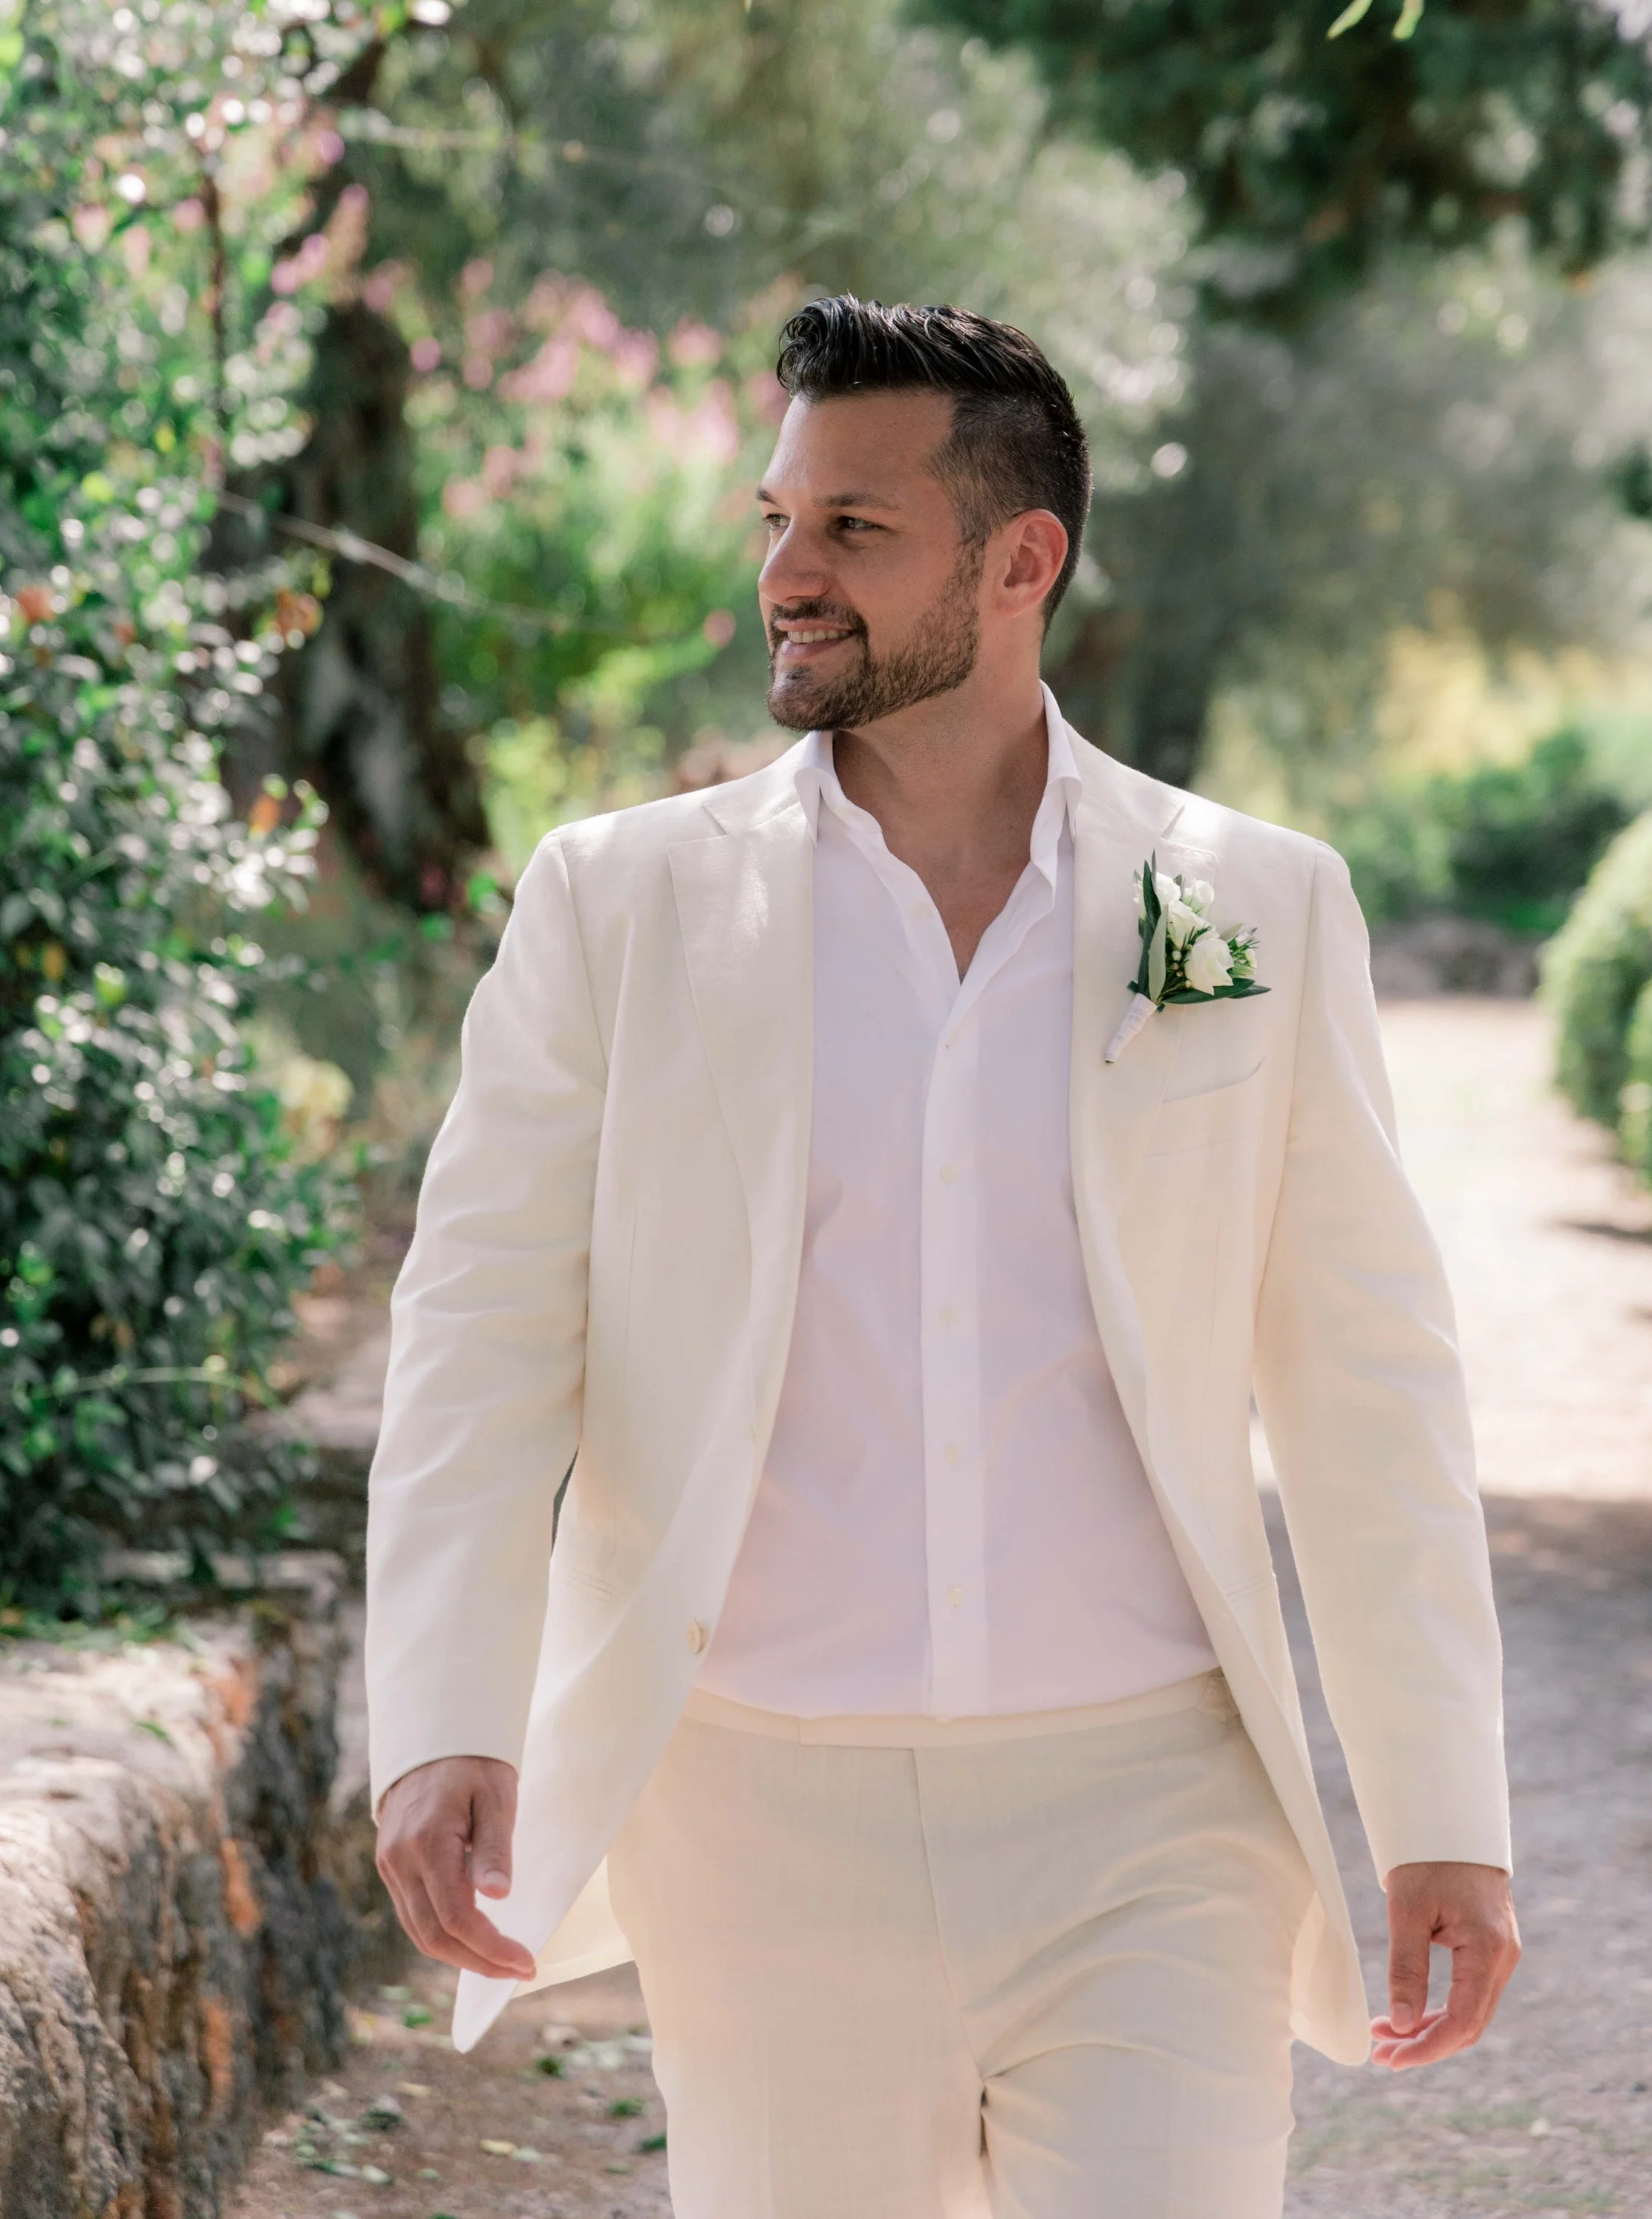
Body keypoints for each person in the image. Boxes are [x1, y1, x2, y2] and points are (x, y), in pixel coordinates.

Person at [365, 297, 1519, 2219]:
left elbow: (1368, 1386)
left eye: (853, 527)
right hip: (757, 1822)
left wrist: (1444, 1813)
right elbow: (480, 1339)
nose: (785, 573)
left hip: (1158, 1812)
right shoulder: (615, 904)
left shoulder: (1254, 903)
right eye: (777, 518)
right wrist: (443, 1718)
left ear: (1019, 561)